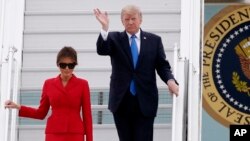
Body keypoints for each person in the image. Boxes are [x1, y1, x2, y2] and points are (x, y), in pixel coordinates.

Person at [93, 4, 179, 141]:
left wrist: (170, 81)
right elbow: (102, 50)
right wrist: (104, 28)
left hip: (145, 101)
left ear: (141, 19)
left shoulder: (154, 41)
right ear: (122, 21)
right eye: (127, 19)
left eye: (133, 18)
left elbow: (162, 66)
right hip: (121, 102)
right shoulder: (114, 38)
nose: (130, 22)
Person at [5, 46, 93, 141]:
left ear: (75, 65)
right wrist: (19, 107)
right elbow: (41, 113)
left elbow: (87, 116)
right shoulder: (48, 84)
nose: (67, 68)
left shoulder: (83, 84)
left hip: (75, 134)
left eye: (71, 65)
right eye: (63, 65)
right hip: (53, 134)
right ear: (58, 65)